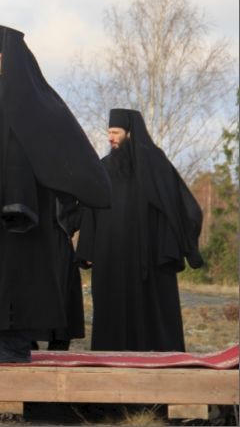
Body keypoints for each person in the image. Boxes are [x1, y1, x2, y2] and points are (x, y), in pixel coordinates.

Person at [0, 23, 111, 363]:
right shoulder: (0, 90)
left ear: (0, 55)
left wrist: (12, 202)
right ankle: (8, 340)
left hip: (17, 209)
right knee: (4, 273)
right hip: (2, 204)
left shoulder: (15, 93)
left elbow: (20, 152)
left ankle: (15, 345)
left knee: (17, 275)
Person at [76, 108, 204, 351]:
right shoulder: (103, 167)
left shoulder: (156, 165)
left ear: (130, 133)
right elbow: (90, 208)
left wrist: (183, 244)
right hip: (111, 253)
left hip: (150, 255)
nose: (110, 138)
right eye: (108, 132)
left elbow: (179, 204)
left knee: (150, 309)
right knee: (112, 307)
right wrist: (88, 249)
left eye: (115, 132)